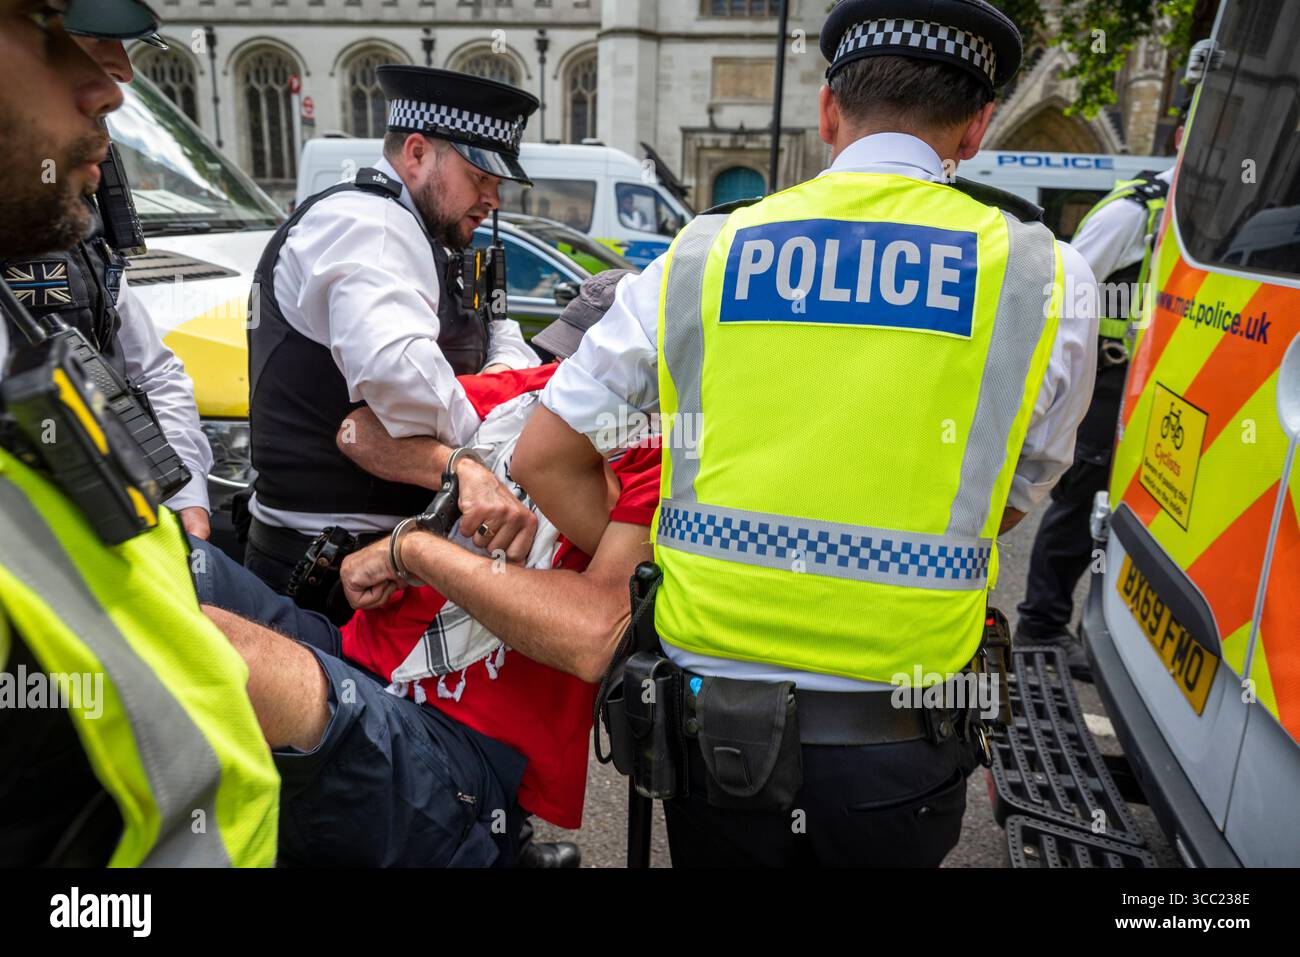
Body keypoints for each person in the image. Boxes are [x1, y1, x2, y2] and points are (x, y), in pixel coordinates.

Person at [511, 0, 1099, 867]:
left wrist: (672, 560)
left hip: (716, 735)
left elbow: (544, 455)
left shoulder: (698, 257)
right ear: (975, 128)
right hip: (907, 740)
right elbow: (1009, 495)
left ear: (828, 111)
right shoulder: (1049, 276)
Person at [190, 271, 657, 867]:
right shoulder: (540, 391)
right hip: (352, 656)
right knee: (161, 556)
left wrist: (409, 550)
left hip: (460, 744)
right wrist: (464, 466)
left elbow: (596, 634)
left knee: (215, 648)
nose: (569, 377)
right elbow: (358, 429)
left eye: (592, 366)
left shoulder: (660, 455)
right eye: (572, 357)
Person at [0, 0, 278, 868]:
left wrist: (190, 503)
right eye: (53, 30)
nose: (110, 91)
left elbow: (154, 373)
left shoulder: (75, 242)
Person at [243, 65, 543, 618]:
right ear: (416, 152)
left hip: (374, 557)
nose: (493, 199)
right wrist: (495, 445)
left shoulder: (412, 230)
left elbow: (474, 357)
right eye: (482, 177)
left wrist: (499, 360)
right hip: (330, 569)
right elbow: (400, 376)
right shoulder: (373, 226)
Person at [1, 28, 214, 540]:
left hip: (133, 522)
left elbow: (153, 370)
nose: (122, 75)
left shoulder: (72, 224)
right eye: (94, 37)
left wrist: (187, 500)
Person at [1014, 156, 1175, 680]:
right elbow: (1065, 293)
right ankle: (1040, 623)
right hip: (1110, 377)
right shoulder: (1135, 212)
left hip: (1153, 381)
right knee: (1080, 495)